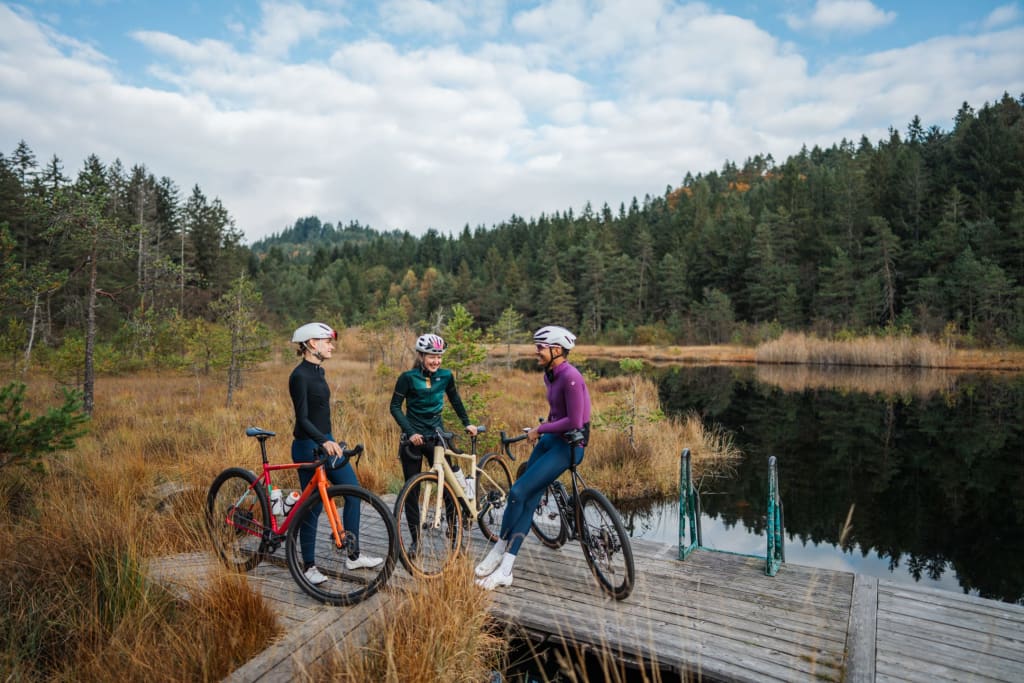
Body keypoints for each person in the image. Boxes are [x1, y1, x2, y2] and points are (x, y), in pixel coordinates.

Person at [474, 325, 591, 590]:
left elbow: (574, 420)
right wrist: (541, 431)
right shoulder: (550, 375)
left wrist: (540, 429)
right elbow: (556, 413)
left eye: (540, 347)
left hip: (570, 446)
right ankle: (503, 559)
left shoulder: (571, 377)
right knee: (525, 496)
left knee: (518, 490)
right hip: (551, 440)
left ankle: (502, 559)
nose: (536, 351)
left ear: (557, 350)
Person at [289, 322, 382, 585]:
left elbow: (321, 416)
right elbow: (303, 419)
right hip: (307, 445)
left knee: (353, 492)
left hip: (327, 443)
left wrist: (331, 441)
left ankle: (353, 555)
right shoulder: (299, 376)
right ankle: (308, 566)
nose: (331, 345)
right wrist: (322, 440)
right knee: (314, 506)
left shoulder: (319, 372)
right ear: (311, 344)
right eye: (327, 341)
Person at [389, 333, 478, 553]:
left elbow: (455, 399)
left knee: (448, 486)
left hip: (437, 436)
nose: (436, 361)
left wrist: (467, 423)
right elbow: (395, 407)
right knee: (412, 490)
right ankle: (416, 541)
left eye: (439, 356)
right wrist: (409, 432)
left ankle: (455, 535)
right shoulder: (408, 378)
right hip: (413, 439)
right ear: (421, 355)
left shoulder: (446, 376)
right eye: (431, 356)